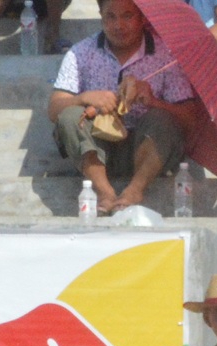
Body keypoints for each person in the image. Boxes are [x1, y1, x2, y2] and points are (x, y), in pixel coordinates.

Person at [46, 0, 193, 217]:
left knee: (163, 119)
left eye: (127, 16)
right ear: (101, 16)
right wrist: (85, 98)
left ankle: (135, 190)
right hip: (97, 148)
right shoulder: (81, 53)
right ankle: (105, 192)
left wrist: (154, 102)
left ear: (142, 18)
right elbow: (53, 109)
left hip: (147, 152)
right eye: (111, 17)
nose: (118, 25)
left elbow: (190, 119)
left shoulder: (165, 55)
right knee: (69, 116)